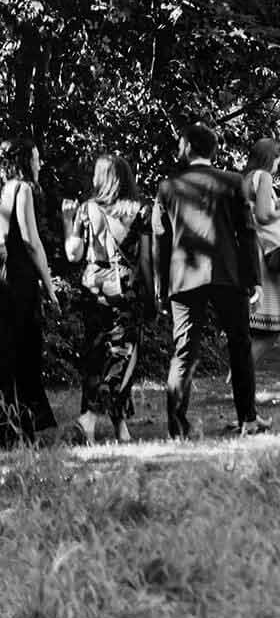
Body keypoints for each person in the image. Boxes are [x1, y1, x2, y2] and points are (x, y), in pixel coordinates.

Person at [154, 123, 265, 438]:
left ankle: (177, 427)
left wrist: (162, 287)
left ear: (187, 146)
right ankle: (248, 419)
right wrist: (253, 278)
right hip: (227, 274)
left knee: (184, 350)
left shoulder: (167, 187)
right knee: (240, 345)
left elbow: (161, 240)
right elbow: (246, 232)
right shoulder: (232, 182)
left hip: (184, 277)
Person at [63, 154, 155, 444]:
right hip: (124, 292)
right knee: (123, 356)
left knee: (95, 356)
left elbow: (73, 254)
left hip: (93, 291)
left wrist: (68, 223)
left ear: (100, 178)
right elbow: (146, 260)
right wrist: (152, 296)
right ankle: (90, 417)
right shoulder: (140, 211)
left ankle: (117, 427)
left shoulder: (86, 209)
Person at [1, 137, 61, 447]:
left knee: (9, 353)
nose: (40, 164)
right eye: (36, 158)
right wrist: (49, 286)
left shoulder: (4, 189)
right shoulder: (23, 189)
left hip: (5, 279)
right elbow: (30, 240)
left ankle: (12, 428)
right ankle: (23, 428)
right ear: (25, 161)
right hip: (21, 282)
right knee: (26, 353)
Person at [242, 139, 280, 370]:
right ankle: (241, 375)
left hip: (249, 248)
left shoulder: (244, 179)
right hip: (264, 252)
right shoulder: (263, 177)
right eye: (278, 157)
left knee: (255, 326)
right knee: (272, 324)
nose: (279, 163)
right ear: (270, 157)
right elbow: (262, 215)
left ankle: (241, 376)